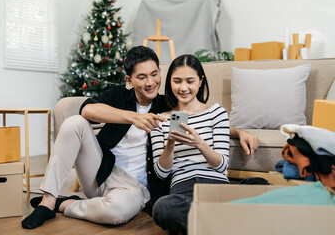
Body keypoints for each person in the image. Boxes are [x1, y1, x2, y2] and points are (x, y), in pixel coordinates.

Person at [21, 46, 259, 229]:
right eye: (142, 77)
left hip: (135, 188)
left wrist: (238, 131)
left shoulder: (167, 104)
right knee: (74, 123)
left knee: (116, 214)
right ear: (129, 80)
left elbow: (197, 118)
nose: (150, 82)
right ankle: (48, 202)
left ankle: (67, 204)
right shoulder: (119, 97)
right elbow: (86, 110)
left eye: (154, 74)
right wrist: (131, 117)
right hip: (102, 172)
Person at [150, 54, 230, 234]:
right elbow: (161, 173)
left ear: (200, 81)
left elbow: (222, 166)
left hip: (215, 187)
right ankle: (218, 225)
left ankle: (202, 225)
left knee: (258, 185)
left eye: (190, 81)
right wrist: (170, 144)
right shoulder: (161, 120)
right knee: (162, 208)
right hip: (182, 193)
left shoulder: (216, 113)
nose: (183, 87)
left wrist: (199, 143)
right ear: (169, 82)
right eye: (177, 81)